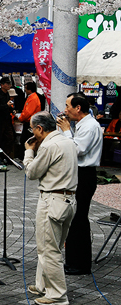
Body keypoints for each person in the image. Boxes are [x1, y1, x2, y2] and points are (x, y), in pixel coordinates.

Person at [23, 111, 78, 305]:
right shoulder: (68, 141)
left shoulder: (49, 145)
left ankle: (57, 294)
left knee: (48, 249)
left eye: (32, 128)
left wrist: (29, 151)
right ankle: (42, 285)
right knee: (52, 245)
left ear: (39, 128)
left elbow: (32, 172)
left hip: (52, 200)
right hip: (68, 200)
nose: (31, 132)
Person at [56, 92, 103, 275]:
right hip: (79, 173)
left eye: (68, 106)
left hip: (84, 174)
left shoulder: (90, 126)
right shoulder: (83, 124)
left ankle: (80, 264)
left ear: (78, 108)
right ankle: (74, 261)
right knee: (74, 219)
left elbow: (77, 149)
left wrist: (67, 131)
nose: (65, 110)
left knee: (79, 219)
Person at [17, 82, 42, 158]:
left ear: (29, 90)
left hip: (30, 122)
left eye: (25, 88)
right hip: (30, 121)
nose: (24, 90)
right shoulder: (32, 97)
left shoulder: (33, 98)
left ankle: (25, 156)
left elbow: (28, 112)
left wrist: (20, 118)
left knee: (27, 140)